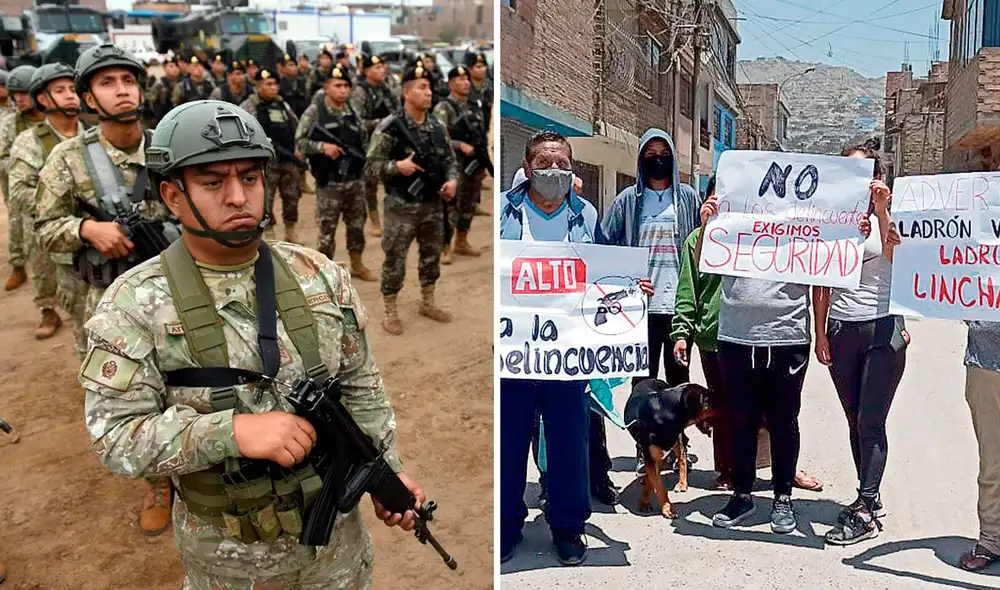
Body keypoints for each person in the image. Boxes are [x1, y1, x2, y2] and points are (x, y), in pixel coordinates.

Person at [82, 98, 425, 588]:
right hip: (227, 562)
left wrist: (383, 474)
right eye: (213, 181)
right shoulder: (132, 303)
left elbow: (361, 388)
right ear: (172, 195)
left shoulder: (319, 275)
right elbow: (114, 437)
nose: (239, 197)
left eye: (250, 177)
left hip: (335, 557)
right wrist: (232, 432)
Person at [34, 43, 177, 536]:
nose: (122, 91)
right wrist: (84, 230)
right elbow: (43, 225)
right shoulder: (68, 158)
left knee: (185, 376)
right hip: (107, 300)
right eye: (108, 83)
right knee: (128, 387)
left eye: (129, 81)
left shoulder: (168, 147)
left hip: (174, 288)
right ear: (89, 98)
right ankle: (158, 480)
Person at [812, 139, 907, 546]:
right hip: (842, 330)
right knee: (855, 421)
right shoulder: (830, 219)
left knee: (871, 421)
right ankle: (870, 492)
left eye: (864, 171)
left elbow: (900, 259)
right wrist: (820, 332)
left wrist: (883, 211)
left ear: (877, 179)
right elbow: (820, 280)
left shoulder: (890, 217)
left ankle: (865, 508)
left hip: (883, 330)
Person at [365, 62, 457, 336]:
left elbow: (451, 162)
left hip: (431, 205)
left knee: (431, 257)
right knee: (395, 260)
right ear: (406, 93)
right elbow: (370, 166)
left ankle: (427, 302)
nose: (428, 93)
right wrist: (397, 167)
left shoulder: (438, 127)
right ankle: (390, 310)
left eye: (429, 87)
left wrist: (452, 181)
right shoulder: (390, 127)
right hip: (400, 208)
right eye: (422, 88)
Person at [9, 63, 86, 343]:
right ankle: (47, 310)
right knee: (46, 274)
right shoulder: (29, 141)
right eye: (60, 90)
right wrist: (61, 204)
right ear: (42, 98)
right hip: (53, 233)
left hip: (97, 240)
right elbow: (17, 192)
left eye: (73, 89)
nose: (70, 95)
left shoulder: (95, 133)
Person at [671, 175, 731, 488]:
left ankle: (781, 470)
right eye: (715, 196)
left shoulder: (755, 237)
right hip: (712, 338)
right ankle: (727, 470)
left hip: (753, 336)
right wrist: (682, 332)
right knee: (720, 407)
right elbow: (687, 289)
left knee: (763, 405)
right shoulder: (696, 239)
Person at [295, 65, 376, 281]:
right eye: (337, 86)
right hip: (329, 183)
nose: (343, 90)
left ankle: (357, 264)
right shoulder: (314, 112)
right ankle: (324, 273)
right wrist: (323, 148)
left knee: (357, 226)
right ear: (326, 88)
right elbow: (300, 143)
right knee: (327, 232)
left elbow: (364, 142)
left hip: (354, 181)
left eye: (346, 86)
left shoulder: (352, 111)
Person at [240, 66, 303, 244]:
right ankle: (268, 234)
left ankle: (290, 232)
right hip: (265, 163)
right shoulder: (248, 106)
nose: (273, 87)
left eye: (275, 84)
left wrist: (297, 149)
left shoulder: (282, 103)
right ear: (258, 86)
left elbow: (296, 126)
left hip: (287, 160)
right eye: (268, 84)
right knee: (264, 200)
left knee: (291, 197)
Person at [432, 65, 484, 261]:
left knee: (469, 204)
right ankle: (444, 246)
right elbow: (438, 136)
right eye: (460, 80)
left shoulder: (474, 106)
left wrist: (481, 162)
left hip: (472, 164)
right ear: (451, 83)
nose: (465, 83)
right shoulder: (444, 107)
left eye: (466, 79)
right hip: (453, 164)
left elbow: (480, 136)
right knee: (450, 206)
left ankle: (462, 241)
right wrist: (459, 144)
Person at [0, 65, 43, 292]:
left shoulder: (55, 119)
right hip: (19, 189)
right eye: (15, 94)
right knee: (19, 231)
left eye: (24, 93)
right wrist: (26, 164)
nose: (19, 99)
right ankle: (18, 267)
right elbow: (2, 158)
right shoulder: (10, 124)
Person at [352, 54, 400, 238]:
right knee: (370, 185)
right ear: (366, 71)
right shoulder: (360, 91)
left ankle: (392, 218)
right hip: (369, 144)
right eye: (376, 68)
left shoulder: (386, 89)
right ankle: (374, 220)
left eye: (382, 67)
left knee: (392, 180)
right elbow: (358, 122)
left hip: (389, 143)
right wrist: (383, 122)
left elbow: (398, 112)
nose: (381, 71)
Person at [147, 54, 181, 125]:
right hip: (164, 118)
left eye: (176, 66)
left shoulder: (183, 82)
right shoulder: (160, 83)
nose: (175, 69)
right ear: (164, 69)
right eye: (171, 66)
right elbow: (152, 102)